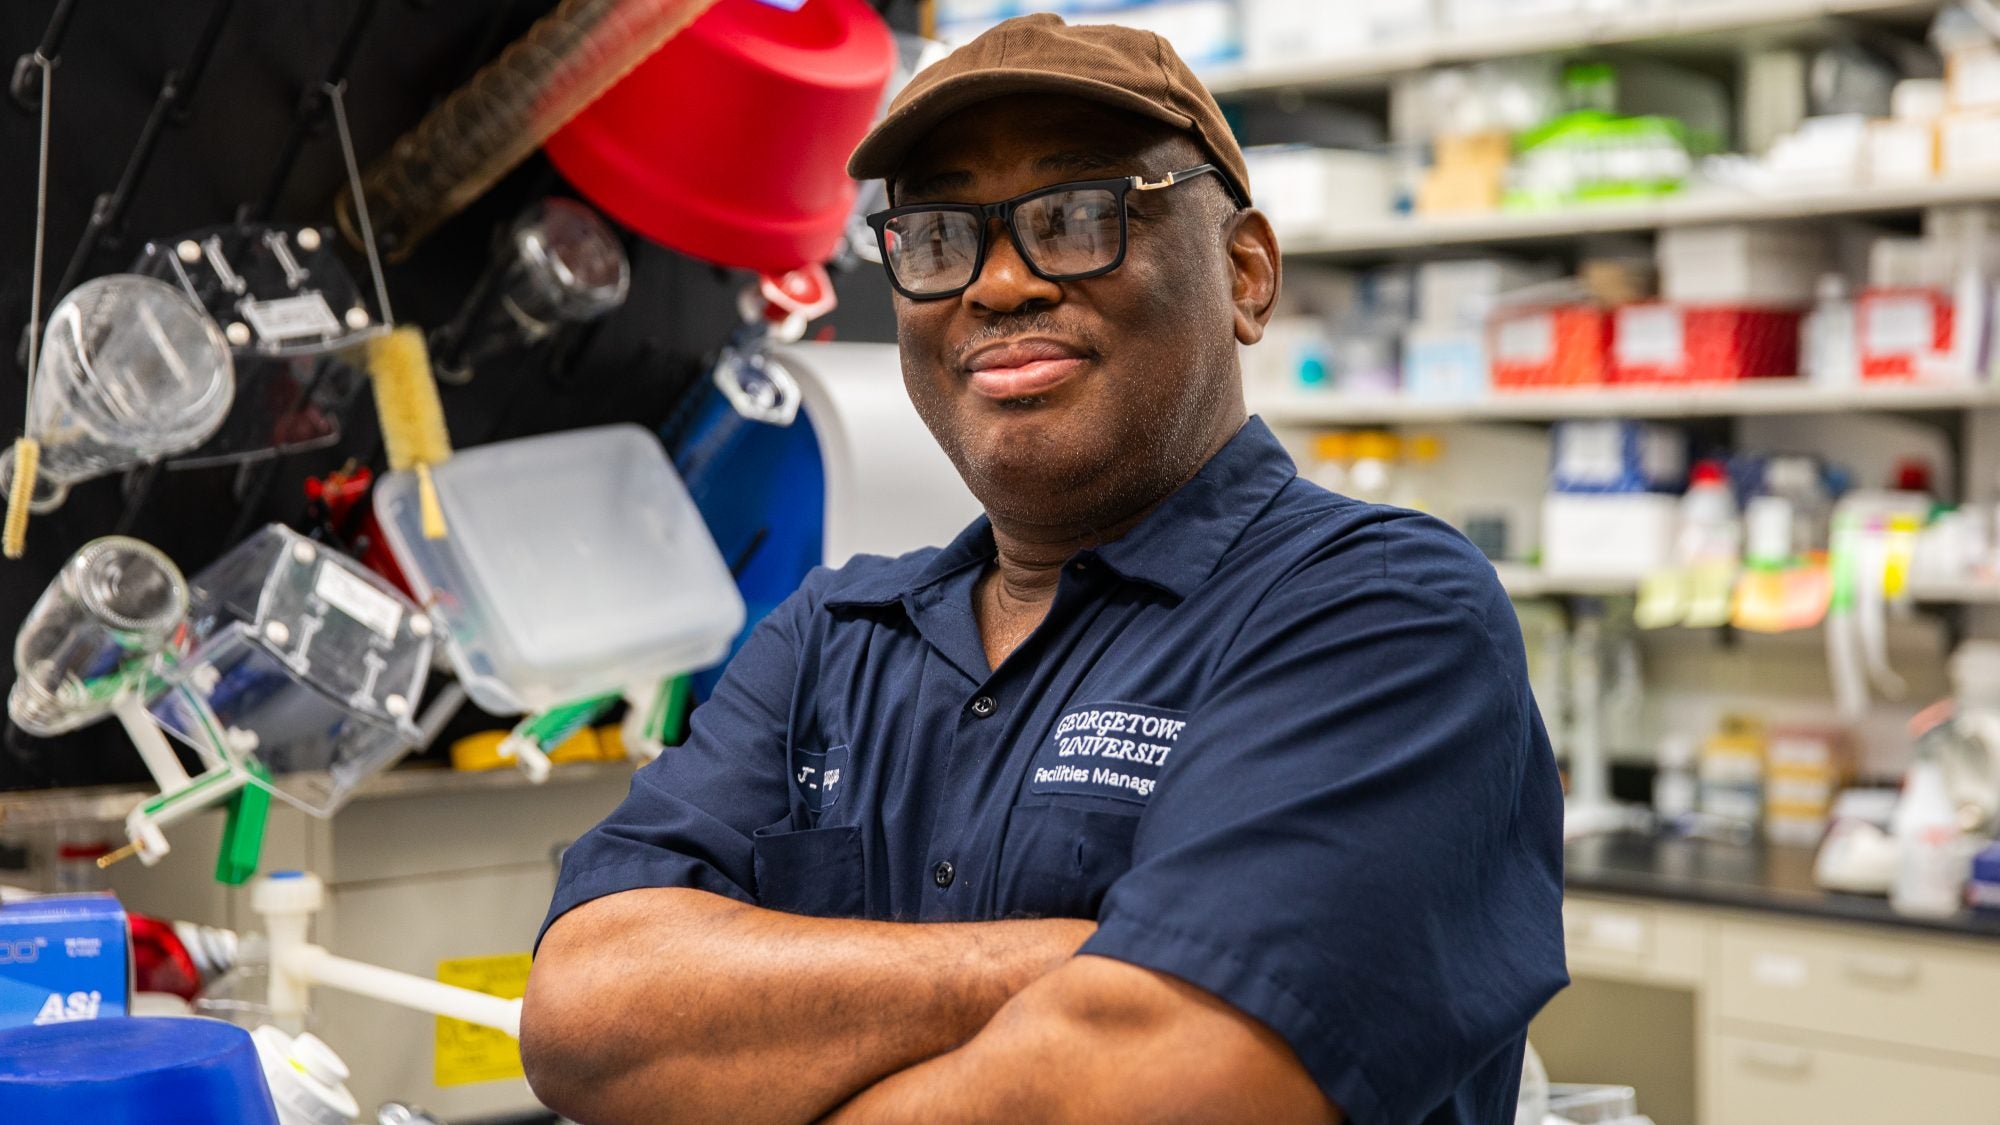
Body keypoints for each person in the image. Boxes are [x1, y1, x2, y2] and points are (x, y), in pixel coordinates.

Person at [521, 14, 1566, 1124]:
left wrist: (780, 1033)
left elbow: (1176, 1082)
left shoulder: (1379, 612)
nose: (998, 284)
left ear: (1245, 274)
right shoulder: (834, 635)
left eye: (1076, 217)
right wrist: (1061, 965)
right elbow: (584, 1009)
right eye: (935, 236)